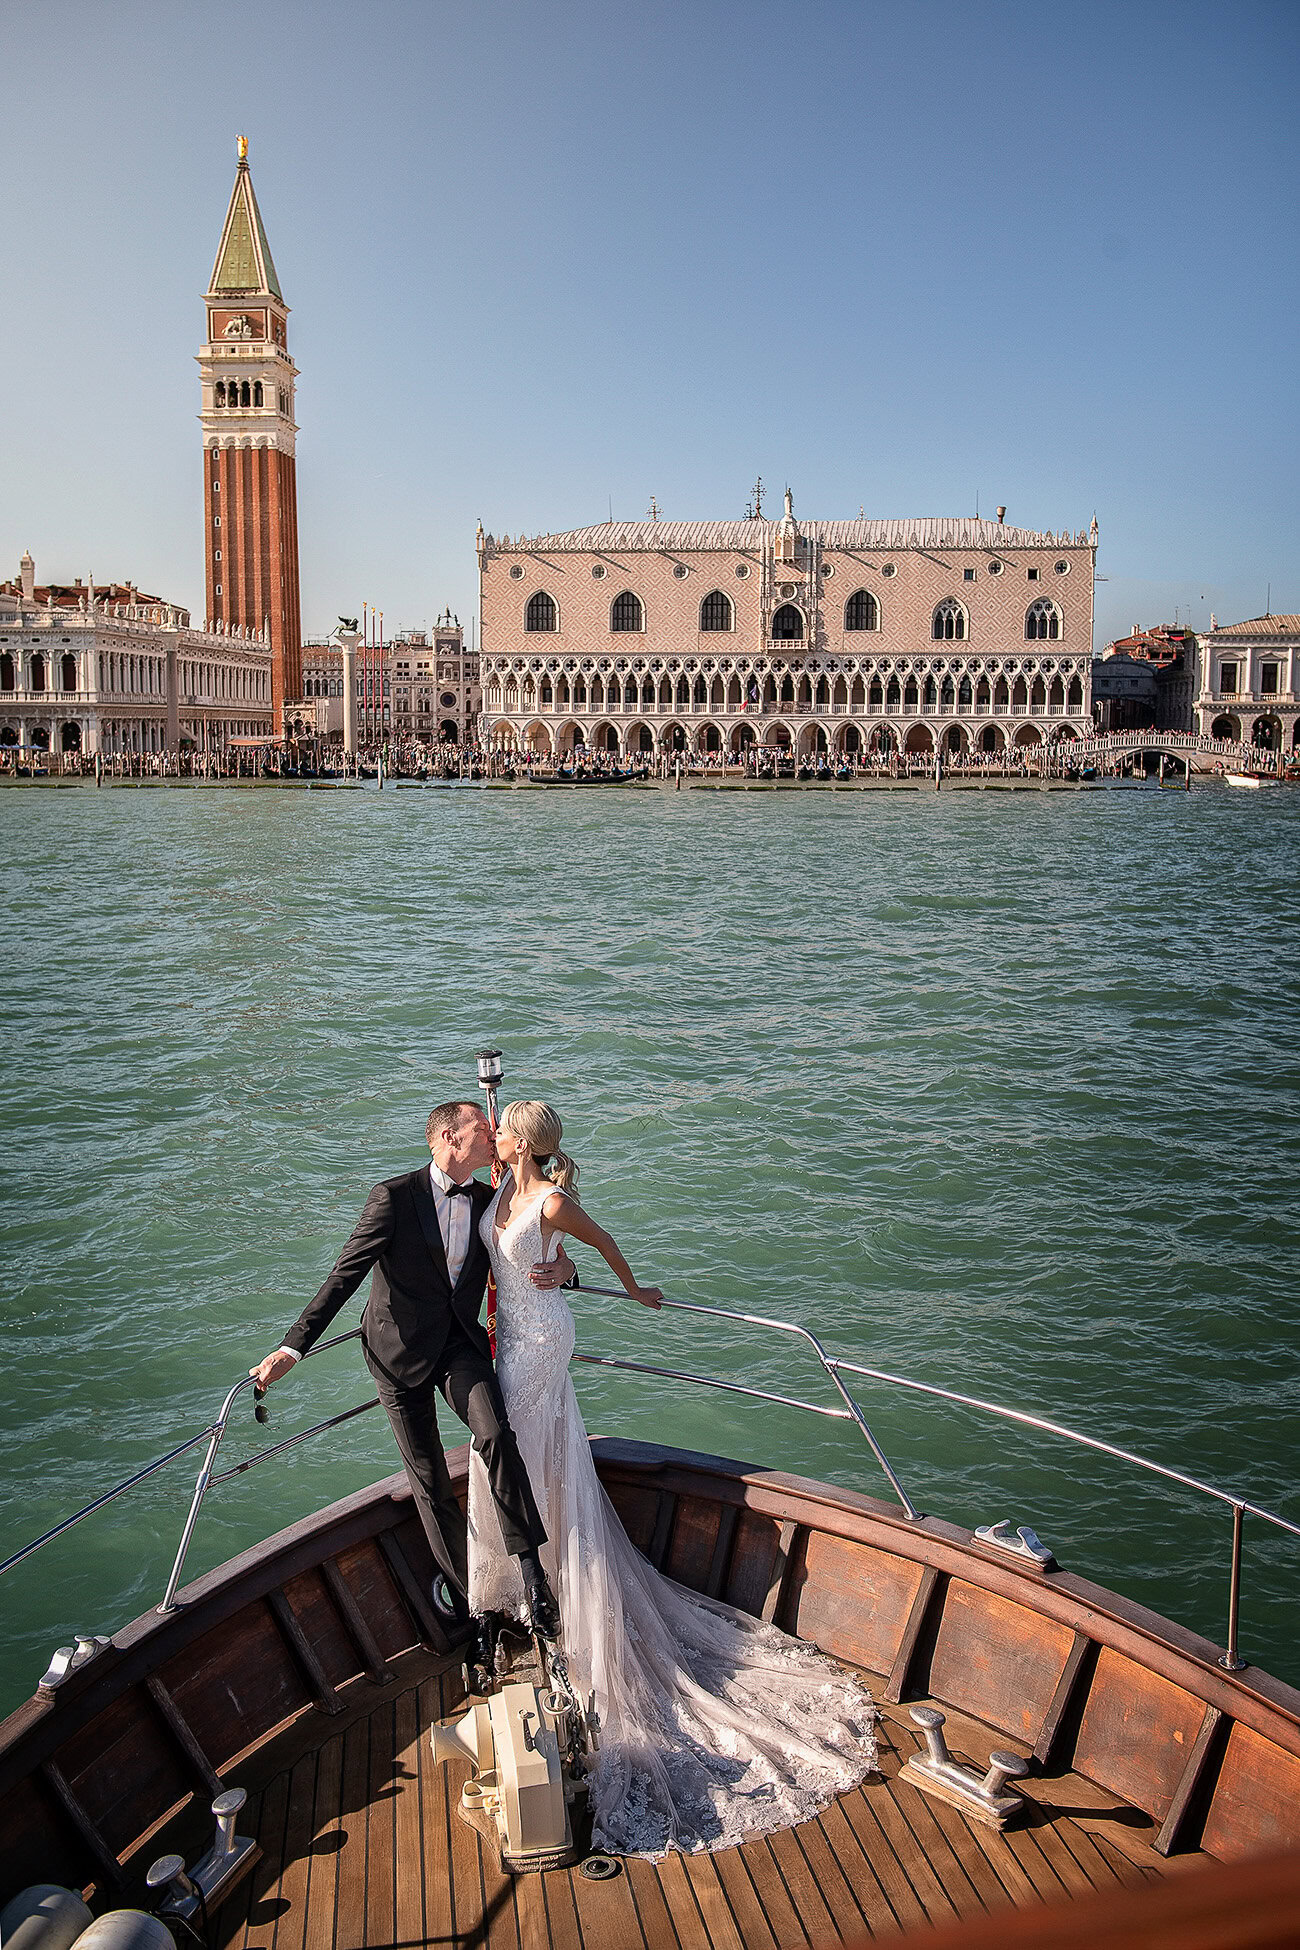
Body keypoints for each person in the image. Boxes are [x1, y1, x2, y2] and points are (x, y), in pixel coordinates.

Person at [468, 1100, 877, 1858]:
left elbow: (604, 1243)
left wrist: (625, 1286)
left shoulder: (552, 1199)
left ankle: (552, 1590)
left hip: (543, 1343)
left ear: (522, 1140)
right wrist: (561, 1267)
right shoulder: (499, 1188)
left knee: (532, 1462)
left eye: (502, 1129)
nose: (493, 1135)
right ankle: (537, 1588)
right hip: (510, 1342)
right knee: (527, 1464)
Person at [250, 1099, 572, 1656]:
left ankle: (533, 1578)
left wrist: (567, 1269)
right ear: (449, 1137)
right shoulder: (393, 1199)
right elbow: (344, 1274)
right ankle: (480, 1612)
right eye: (482, 1127)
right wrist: (292, 1348)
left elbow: (534, 1244)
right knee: (430, 1484)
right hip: (395, 1358)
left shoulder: (485, 1200)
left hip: (456, 1347)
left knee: (496, 1435)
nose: (493, 1132)